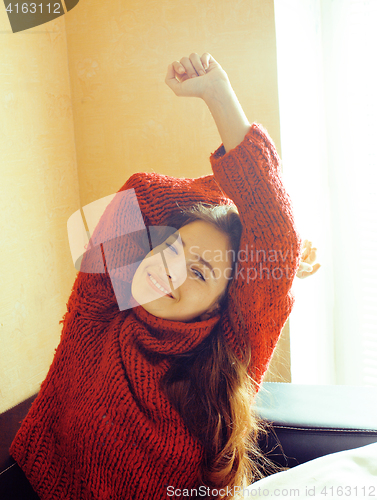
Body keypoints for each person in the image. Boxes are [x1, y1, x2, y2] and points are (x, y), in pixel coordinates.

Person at [10, 53, 318, 499]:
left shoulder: (230, 350)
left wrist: (219, 94)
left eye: (198, 270)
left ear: (221, 302)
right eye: (171, 247)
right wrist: (230, 204)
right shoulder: (99, 313)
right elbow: (139, 189)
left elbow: (275, 231)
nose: (168, 268)